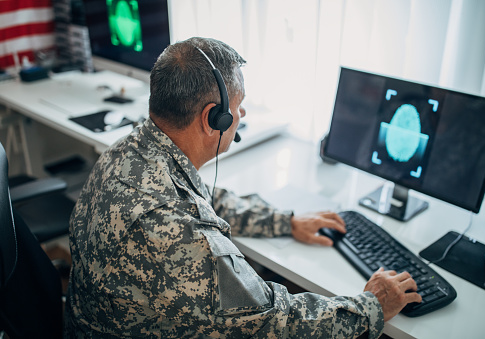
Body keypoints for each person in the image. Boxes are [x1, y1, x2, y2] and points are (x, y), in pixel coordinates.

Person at [64, 37, 421, 338]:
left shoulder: (128, 151)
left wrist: (284, 221)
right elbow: (273, 322)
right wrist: (371, 306)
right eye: (239, 106)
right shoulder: (176, 234)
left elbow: (200, 197)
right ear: (212, 119)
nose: (242, 116)